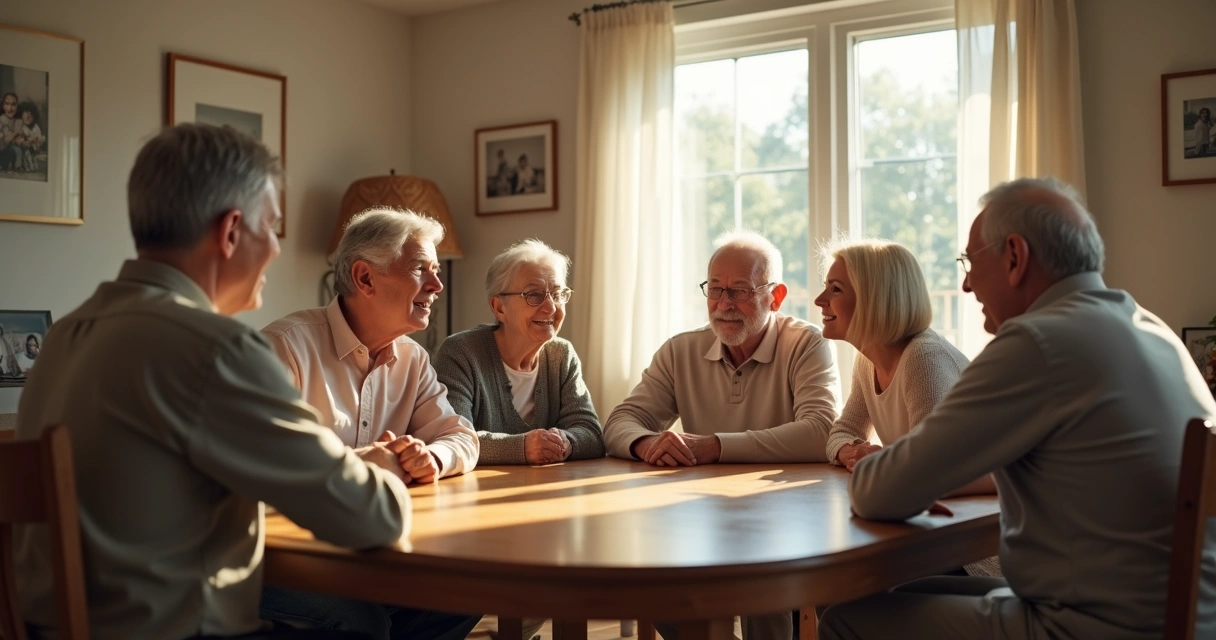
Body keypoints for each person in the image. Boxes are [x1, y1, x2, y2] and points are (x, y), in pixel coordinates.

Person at [15, 123, 413, 640]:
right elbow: (372, 518)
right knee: (381, 620)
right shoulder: (213, 349)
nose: (276, 248)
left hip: (48, 629)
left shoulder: (64, 336)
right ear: (230, 231)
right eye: (271, 226)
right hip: (179, 633)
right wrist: (384, 468)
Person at [818, 177, 1216, 640]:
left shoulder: (1038, 341)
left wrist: (884, 468)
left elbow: (878, 492)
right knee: (892, 595)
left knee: (843, 618)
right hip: (1180, 618)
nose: (966, 284)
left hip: (1091, 625)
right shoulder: (1149, 328)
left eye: (970, 261)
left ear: (1014, 256)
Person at [603, 230, 840, 640]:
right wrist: (647, 443)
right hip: (700, 511)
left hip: (786, 513)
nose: (724, 303)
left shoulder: (806, 344)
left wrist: (714, 447)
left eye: (740, 290)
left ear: (776, 296)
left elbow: (821, 430)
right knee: (650, 579)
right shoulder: (679, 350)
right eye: (715, 289)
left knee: (762, 579)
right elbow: (621, 421)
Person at [259, 207, 481, 640]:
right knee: (363, 622)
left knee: (469, 590)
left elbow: (460, 436)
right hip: (283, 558)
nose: (437, 286)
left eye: (436, 272)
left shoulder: (413, 359)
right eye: (421, 269)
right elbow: (264, 470)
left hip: (369, 549)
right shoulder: (284, 348)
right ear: (365, 278)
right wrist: (364, 465)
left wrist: (432, 457)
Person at [433, 238, 603, 639]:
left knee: (568, 549)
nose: (551, 307)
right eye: (534, 295)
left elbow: (591, 432)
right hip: (474, 512)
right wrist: (523, 447)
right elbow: (451, 436)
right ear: (499, 307)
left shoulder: (561, 355)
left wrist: (565, 441)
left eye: (558, 293)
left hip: (542, 509)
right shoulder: (460, 353)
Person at [813, 239, 998, 578]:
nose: (819, 300)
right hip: (930, 530)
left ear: (874, 299)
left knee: (841, 576)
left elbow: (926, 472)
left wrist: (879, 462)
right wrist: (851, 450)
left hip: (970, 552)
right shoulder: (867, 360)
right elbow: (841, 431)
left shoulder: (923, 357)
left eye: (835, 289)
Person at [16, 101, 43, 172]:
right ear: (21, 115)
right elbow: (18, 141)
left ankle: (31, 164)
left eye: (31, 114)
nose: (28, 116)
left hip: (33, 150)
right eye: (25, 113)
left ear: (34, 117)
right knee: (26, 151)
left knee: (32, 153)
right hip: (22, 149)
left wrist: (36, 141)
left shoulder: (36, 128)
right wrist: (25, 141)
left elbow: (38, 143)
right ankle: (25, 165)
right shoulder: (20, 126)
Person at [0, 92, 19, 171]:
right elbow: (5, 141)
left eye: (13, 104)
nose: (10, 108)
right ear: (3, 106)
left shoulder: (18, 121)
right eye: (7, 104)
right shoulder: (2, 119)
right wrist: (16, 132)